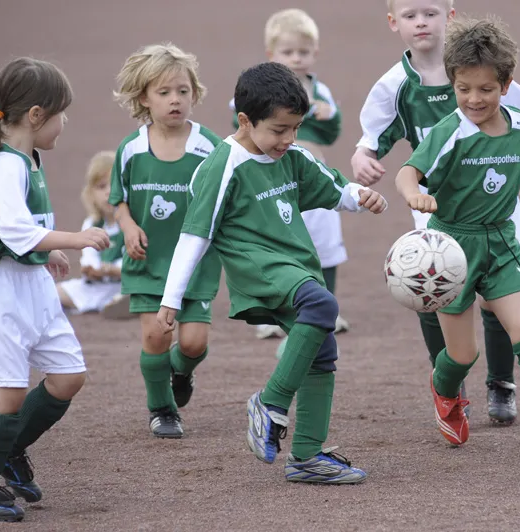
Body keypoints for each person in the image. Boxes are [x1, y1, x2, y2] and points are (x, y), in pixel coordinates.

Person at [159, 62, 387, 483]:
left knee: (323, 352)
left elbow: (333, 187)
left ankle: (306, 457)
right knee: (323, 304)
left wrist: (362, 196)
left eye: (295, 128)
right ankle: (270, 403)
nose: (289, 139)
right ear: (245, 120)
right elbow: (194, 236)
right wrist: (172, 299)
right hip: (258, 267)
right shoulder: (222, 166)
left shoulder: (293, 157)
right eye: (279, 130)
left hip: (295, 266)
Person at [351, 0, 520, 423]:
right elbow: (374, 137)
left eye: (430, 12)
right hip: (436, 207)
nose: (421, 22)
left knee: (499, 300)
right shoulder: (394, 85)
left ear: (450, 16)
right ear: (394, 23)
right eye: (410, 15)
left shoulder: (480, 62)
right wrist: (362, 156)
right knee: (431, 289)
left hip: (495, 206)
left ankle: (501, 383)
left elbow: (517, 124)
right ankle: (449, 381)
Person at [394, 16, 520, 464]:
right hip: (451, 249)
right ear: (453, 84)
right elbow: (407, 171)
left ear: (506, 84)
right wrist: (414, 194)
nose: (474, 99)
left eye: (486, 89)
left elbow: (517, 155)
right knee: (463, 354)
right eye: (464, 89)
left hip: (500, 244)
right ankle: (445, 391)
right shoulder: (448, 132)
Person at [0, 58, 110, 522]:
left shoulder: (27, 159)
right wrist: (75, 239)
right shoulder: (4, 164)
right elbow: (11, 230)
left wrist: (48, 251)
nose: (65, 122)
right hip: (1, 289)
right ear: (35, 116)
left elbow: (27, 229)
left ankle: (9, 451)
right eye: (60, 113)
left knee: (68, 376)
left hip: (32, 283)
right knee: (10, 392)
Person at [110, 43, 223, 438]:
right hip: (149, 260)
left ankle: (179, 370)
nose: (175, 100)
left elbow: (226, 197)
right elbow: (117, 200)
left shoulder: (209, 147)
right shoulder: (131, 149)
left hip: (196, 263)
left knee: (192, 343)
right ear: (144, 97)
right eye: (164, 93)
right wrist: (126, 226)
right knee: (155, 335)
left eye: (183, 91)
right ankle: (162, 409)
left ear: (194, 93)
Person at [238, 8, 351, 341]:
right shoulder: (258, 91)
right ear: (271, 54)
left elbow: (331, 133)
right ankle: (270, 313)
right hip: (272, 181)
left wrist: (330, 116)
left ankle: (327, 309)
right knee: (272, 243)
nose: (296, 59)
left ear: (315, 53)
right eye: (288, 52)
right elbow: (240, 124)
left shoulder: (321, 91)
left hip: (312, 179)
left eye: (303, 52)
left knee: (325, 243)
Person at [56, 151, 130, 317]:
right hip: (98, 285)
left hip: (125, 283)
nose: (108, 192)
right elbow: (88, 256)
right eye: (102, 186)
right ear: (91, 193)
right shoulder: (91, 224)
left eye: (115, 185)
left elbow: (135, 261)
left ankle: (122, 304)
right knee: (55, 291)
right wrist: (90, 269)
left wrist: (114, 270)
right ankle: (109, 306)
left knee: (137, 290)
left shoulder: (131, 223)